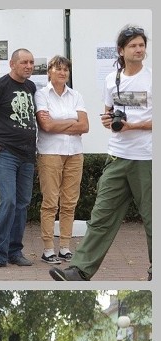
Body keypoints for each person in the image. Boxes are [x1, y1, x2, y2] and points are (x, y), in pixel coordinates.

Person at [51, 25, 152, 281]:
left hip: (148, 159)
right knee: (101, 217)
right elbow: (108, 111)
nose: (139, 49)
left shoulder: (153, 78)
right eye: (133, 45)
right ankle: (79, 271)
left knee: (153, 221)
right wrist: (108, 121)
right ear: (121, 50)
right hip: (117, 156)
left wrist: (134, 126)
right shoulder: (112, 79)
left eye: (141, 45)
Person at [0, 49, 37, 271]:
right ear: (12, 64)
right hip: (5, 152)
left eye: (32, 62)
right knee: (9, 201)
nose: (29, 66)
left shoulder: (32, 87)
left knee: (22, 203)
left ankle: (15, 251)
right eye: (24, 62)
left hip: (28, 154)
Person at [34, 55, 89, 264]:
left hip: (75, 153)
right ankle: (48, 248)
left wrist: (59, 123)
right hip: (50, 152)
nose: (63, 72)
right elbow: (45, 126)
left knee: (69, 202)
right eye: (58, 69)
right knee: (50, 202)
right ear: (49, 72)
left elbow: (85, 126)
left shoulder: (76, 95)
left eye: (66, 69)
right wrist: (71, 122)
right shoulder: (41, 95)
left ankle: (65, 246)